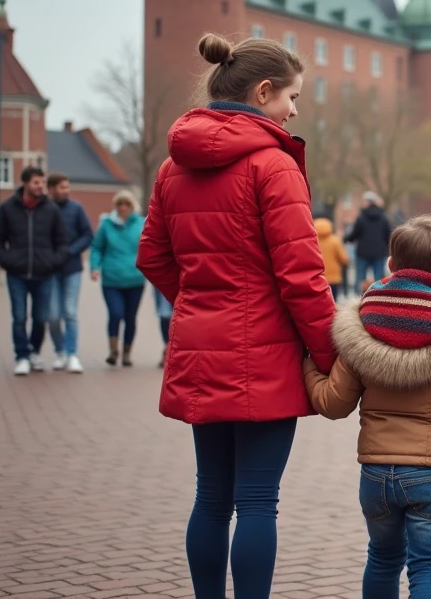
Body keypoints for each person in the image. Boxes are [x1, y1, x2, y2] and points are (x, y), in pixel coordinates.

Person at [136, 33, 336, 599]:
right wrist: (327, 355)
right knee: (256, 501)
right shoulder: (271, 165)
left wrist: (203, 300)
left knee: (211, 497)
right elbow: (301, 276)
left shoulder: (171, 168)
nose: (294, 110)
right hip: (266, 353)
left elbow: (152, 255)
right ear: (264, 91)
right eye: (292, 98)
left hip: (202, 346)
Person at [305, 215, 431, 598]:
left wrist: (308, 366)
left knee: (382, 558)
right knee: (430, 567)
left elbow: (334, 403)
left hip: (376, 474)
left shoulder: (360, 327)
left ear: (390, 265)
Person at [0, 166, 68, 375]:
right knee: (18, 317)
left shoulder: (51, 209)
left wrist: (52, 261)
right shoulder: (8, 208)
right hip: (16, 274)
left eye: (42, 183)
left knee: (40, 317)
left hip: (44, 274)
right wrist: (7, 261)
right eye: (36, 183)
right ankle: (22, 356)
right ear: (25, 183)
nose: (40, 187)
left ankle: (34, 352)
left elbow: (62, 242)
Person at [41, 172, 93, 373]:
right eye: (62, 187)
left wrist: (69, 252)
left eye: (67, 187)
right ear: (51, 188)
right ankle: (59, 351)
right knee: (53, 315)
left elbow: (88, 235)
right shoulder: (44, 208)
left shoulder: (76, 209)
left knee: (69, 312)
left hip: (72, 269)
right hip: (51, 270)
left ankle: (72, 354)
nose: (66, 191)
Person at [91, 191, 146, 367]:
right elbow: (97, 247)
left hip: (135, 279)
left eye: (127, 204)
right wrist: (94, 267)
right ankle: (113, 351)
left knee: (130, 317)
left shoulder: (141, 223)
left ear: (132, 206)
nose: (123, 208)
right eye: (120, 204)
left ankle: (127, 353)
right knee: (115, 313)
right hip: (111, 279)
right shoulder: (106, 224)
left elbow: (150, 246)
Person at [346, 192, 392, 293]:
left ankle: (358, 301)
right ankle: (379, 299)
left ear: (367, 202)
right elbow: (389, 235)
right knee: (379, 279)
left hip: (363, 253)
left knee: (360, 279)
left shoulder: (361, 218)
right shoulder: (383, 217)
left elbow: (354, 234)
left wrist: (346, 239)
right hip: (379, 253)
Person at [314, 217, 349, 300]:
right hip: (334, 278)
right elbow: (343, 258)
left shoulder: (313, 241)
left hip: (318, 277)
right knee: (333, 302)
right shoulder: (335, 240)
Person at [154, 285, 173, 368]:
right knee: (164, 314)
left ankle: (169, 349)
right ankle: (167, 346)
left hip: (188, 278)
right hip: (166, 277)